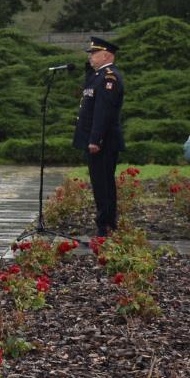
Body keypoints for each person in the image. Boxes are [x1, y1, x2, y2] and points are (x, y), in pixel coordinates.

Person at [74, 35, 124, 238]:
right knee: (100, 182)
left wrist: (95, 139)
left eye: (95, 53)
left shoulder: (109, 77)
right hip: (95, 139)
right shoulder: (97, 76)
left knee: (103, 183)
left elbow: (103, 112)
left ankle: (105, 224)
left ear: (107, 55)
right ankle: (106, 221)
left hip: (102, 141)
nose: (91, 57)